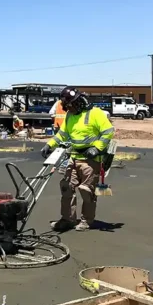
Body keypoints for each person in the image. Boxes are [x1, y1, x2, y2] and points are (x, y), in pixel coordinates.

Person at [41, 87, 114, 232]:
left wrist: (97, 148)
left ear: (79, 101)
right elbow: (63, 134)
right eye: (67, 106)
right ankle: (67, 219)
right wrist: (49, 145)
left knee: (87, 191)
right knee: (66, 188)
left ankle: (86, 220)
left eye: (71, 105)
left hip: (91, 159)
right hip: (74, 157)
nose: (69, 108)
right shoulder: (70, 115)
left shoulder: (95, 114)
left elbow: (108, 131)